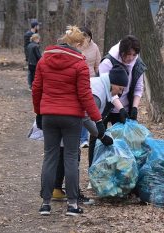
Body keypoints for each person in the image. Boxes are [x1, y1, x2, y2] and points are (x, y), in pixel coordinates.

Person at [32, 25, 107, 216]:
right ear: (77, 43)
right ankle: (72, 204)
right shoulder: (80, 64)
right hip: (72, 117)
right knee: (71, 157)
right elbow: (85, 95)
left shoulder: (44, 60)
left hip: (49, 115)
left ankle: (46, 204)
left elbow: (37, 89)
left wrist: (39, 113)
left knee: (50, 156)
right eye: (82, 45)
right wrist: (98, 120)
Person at [55, 64, 128, 193]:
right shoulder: (98, 93)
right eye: (121, 89)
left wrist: (121, 108)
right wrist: (101, 135)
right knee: (72, 156)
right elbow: (85, 117)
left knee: (62, 152)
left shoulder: (103, 83)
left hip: (60, 113)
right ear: (115, 84)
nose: (121, 93)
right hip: (68, 119)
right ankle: (74, 195)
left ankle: (56, 189)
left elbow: (112, 94)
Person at [99, 35, 147, 126]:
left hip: (125, 107)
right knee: (100, 137)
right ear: (122, 52)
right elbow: (107, 89)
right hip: (104, 107)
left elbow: (138, 88)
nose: (131, 58)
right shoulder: (108, 62)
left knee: (123, 138)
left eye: (134, 55)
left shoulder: (137, 63)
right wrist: (120, 108)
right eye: (128, 54)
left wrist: (134, 108)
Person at [78, 27, 102, 148]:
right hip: (78, 80)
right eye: (83, 36)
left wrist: (99, 79)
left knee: (86, 110)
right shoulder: (77, 46)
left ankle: (84, 138)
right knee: (80, 109)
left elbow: (98, 65)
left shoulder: (95, 47)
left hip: (92, 80)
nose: (85, 39)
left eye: (87, 36)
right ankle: (80, 136)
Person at [24, 20, 39, 90]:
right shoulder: (27, 34)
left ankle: (34, 85)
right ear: (35, 26)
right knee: (31, 72)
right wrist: (27, 57)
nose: (39, 27)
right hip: (30, 57)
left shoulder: (36, 33)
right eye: (38, 25)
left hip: (35, 56)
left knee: (34, 71)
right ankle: (30, 85)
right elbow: (26, 47)